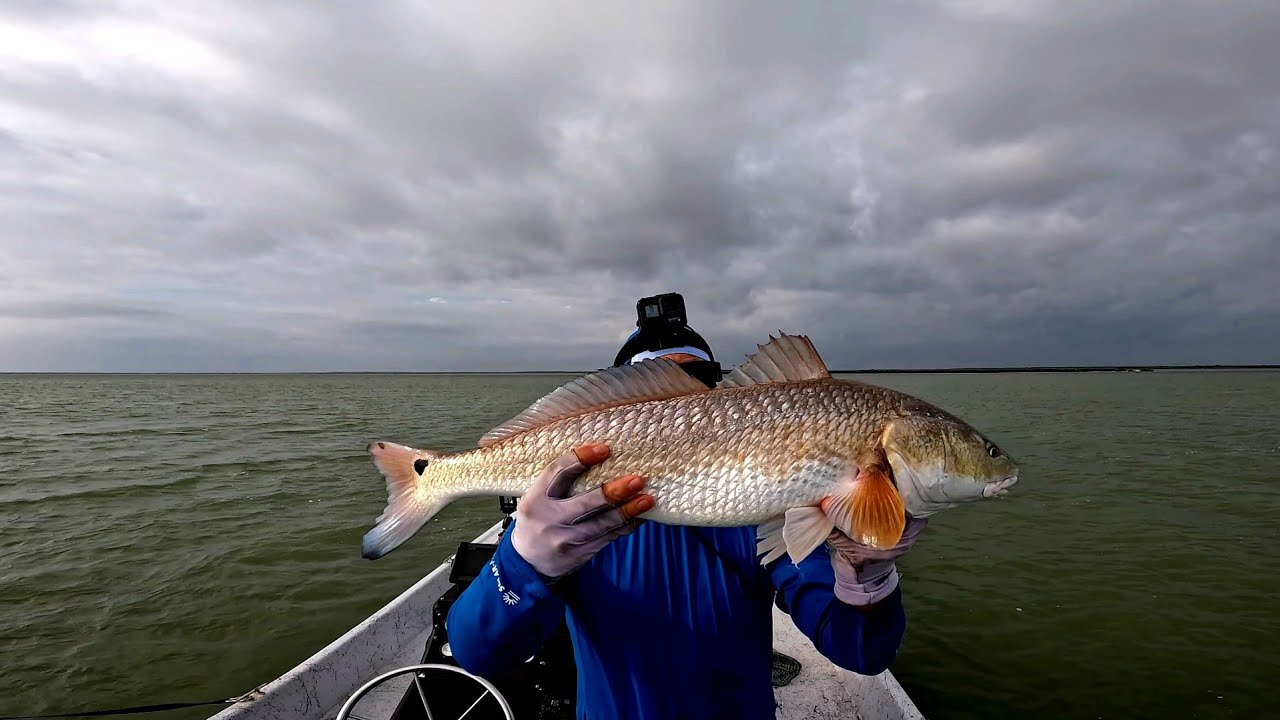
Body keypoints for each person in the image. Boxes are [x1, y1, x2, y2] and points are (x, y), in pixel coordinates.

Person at [445, 295, 927, 719]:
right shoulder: (568, 525)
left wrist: (866, 578)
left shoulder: (768, 506)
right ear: (612, 403)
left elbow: (862, 652)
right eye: (645, 386)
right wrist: (523, 562)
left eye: (696, 381)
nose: (678, 403)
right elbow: (479, 653)